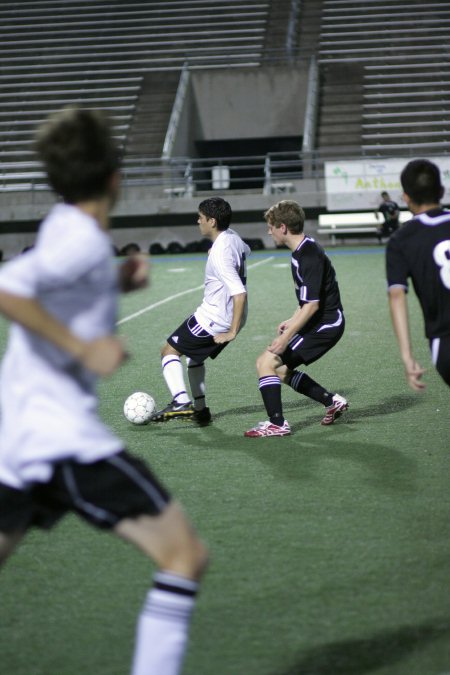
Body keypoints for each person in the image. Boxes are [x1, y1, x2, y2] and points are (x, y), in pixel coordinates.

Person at [0, 106, 208, 675]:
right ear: (116, 178)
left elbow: (50, 273)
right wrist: (84, 347)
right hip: (62, 441)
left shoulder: (66, 225)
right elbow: (9, 286)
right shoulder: (84, 242)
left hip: (15, 437)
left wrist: (114, 280)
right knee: (184, 557)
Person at [245, 200, 348, 438]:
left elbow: (312, 305)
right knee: (278, 370)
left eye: (270, 226)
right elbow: (307, 299)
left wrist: (286, 338)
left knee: (266, 363)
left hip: (326, 324)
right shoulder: (302, 250)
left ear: (282, 227)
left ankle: (277, 424)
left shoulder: (308, 255)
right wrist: (292, 319)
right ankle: (331, 401)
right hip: (318, 320)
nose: (268, 231)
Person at [151, 196, 250, 425]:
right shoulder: (233, 237)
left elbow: (239, 293)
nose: (198, 221)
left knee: (169, 351)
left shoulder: (220, 253)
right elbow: (246, 251)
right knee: (194, 358)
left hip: (215, 318)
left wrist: (232, 332)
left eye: (201, 217)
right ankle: (201, 410)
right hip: (226, 315)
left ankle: (181, 400)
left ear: (212, 221)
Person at [386, 158, 450, 390]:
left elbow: (396, 296)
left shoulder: (401, 240)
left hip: (445, 343)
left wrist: (407, 355)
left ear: (405, 197)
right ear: (441, 191)